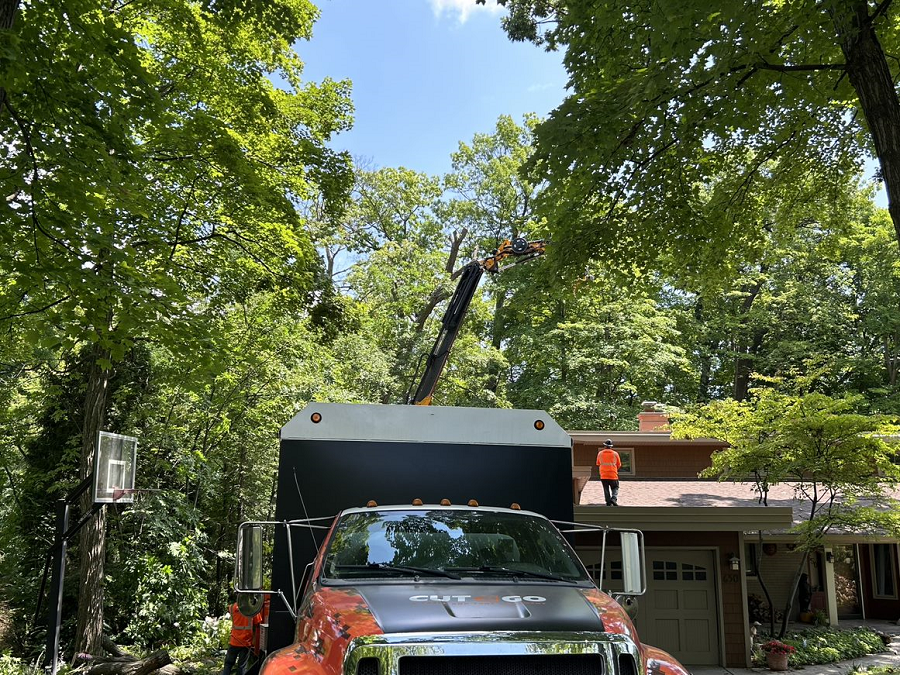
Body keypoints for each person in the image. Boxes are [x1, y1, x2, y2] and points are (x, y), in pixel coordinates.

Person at [222, 597, 259, 675]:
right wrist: (254, 640)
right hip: (246, 642)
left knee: (228, 664)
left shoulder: (232, 607)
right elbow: (257, 624)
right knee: (242, 666)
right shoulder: (252, 609)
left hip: (234, 641)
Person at [596, 439, 622, 506]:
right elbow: (619, 464)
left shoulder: (600, 454)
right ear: (611, 446)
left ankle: (608, 502)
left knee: (606, 488)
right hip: (613, 474)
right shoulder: (615, 454)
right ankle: (614, 498)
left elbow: (598, 463)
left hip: (603, 475)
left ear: (604, 446)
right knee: (615, 487)